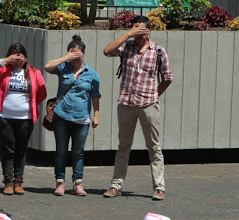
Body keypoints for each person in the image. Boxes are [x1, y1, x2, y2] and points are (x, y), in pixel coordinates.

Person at [102, 16, 172, 200]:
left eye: (140, 29)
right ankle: (116, 186)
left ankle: (159, 187)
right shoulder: (126, 46)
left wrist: (155, 95)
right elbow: (107, 51)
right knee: (123, 146)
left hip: (148, 104)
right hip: (126, 103)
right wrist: (128, 34)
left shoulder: (157, 51)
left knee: (153, 147)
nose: (136, 32)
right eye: (134, 28)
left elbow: (167, 77)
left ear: (148, 31)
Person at [0, 43, 47, 195]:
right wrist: (5, 61)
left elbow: (42, 92)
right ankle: (8, 181)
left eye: (20, 55)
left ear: (26, 58)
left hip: (25, 117)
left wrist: (29, 105)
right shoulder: (4, 70)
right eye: (14, 55)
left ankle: (18, 181)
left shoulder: (34, 72)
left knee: (21, 149)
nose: (18, 58)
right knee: (8, 149)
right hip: (4, 116)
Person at [45, 35, 101, 197]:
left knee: (78, 152)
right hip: (61, 115)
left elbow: (95, 95)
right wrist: (66, 57)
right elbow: (47, 67)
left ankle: (78, 183)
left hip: (82, 117)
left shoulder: (91, 73)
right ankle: (60, 182)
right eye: (73, 53)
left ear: (84, 53)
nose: (76, 57)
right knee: (61, 150)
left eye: (79, 53)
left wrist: (96, 115)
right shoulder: (63, 67)